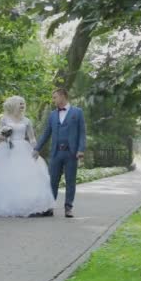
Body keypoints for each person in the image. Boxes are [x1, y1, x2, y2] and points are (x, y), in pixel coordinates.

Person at [0, 96, 55, 217]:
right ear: (14, 105)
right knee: (6, 177)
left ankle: (31, 206)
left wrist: (36, 149)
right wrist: (4, 135)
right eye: (20, 104)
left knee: (26, 177)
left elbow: (31, 138)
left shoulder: (27, 121)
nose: (22, 106)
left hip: (23, 148)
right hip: (6, 150)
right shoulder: (5, 119)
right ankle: (6, 205)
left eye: (23, 104)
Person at [33, 88, 86, 218]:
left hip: (71, 153)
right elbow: (46, 133)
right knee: (52, 181)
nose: (53, 100)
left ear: (63, 96)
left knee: (70, 181)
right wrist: (37, 148)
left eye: (55, 97)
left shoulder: (77, 112)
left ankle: (68, 208)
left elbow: (82, 133)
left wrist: (81, 149)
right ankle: (49, 207)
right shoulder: (52, 115)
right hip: (56, 153)